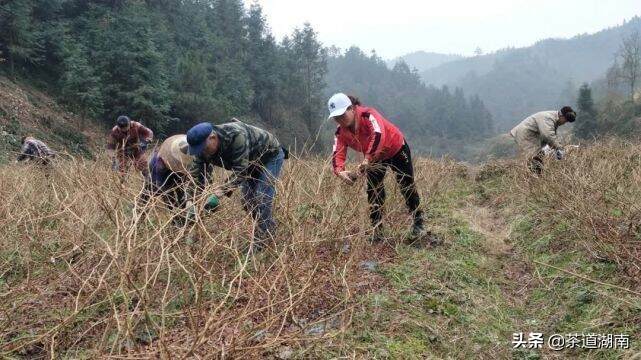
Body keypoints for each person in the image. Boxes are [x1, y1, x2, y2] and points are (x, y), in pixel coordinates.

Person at [328, 93, 431, 244]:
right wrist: (339, 171)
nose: (340, 120)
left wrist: (367, 158)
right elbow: (338, 152)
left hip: (396, 148)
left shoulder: (369, 115)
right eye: (336, 118)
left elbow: (378, 135)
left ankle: (418, 222)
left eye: (342, 115)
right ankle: (377, 230)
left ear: (351, 108)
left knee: (406, 184)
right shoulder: (341, 132)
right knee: (373, 190)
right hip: (375, 158)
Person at [185, 120, 286, 251]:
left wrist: (221, 191)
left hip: (269, 157)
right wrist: (189, 200)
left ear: (213, 137)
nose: (203, 152)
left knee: (261, 197)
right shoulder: (202, 149)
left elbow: (241, 171)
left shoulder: (236, 136)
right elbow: (195, 176)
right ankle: (267, 227)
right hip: (249, 162)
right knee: (248, 201)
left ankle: (264, 238)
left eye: (204, 148)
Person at [510, 106, 576, 174]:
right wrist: (559, 148)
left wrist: (555, 148)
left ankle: (534, 175)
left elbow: (549, 138)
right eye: (565, 121)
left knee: (539, 155)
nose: (564, 123)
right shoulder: (548, 118)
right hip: (526, 135)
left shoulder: (553, 118)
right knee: (534, 157)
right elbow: (548, 136)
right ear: (561, 116)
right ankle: (534, 177)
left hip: (531, 136)